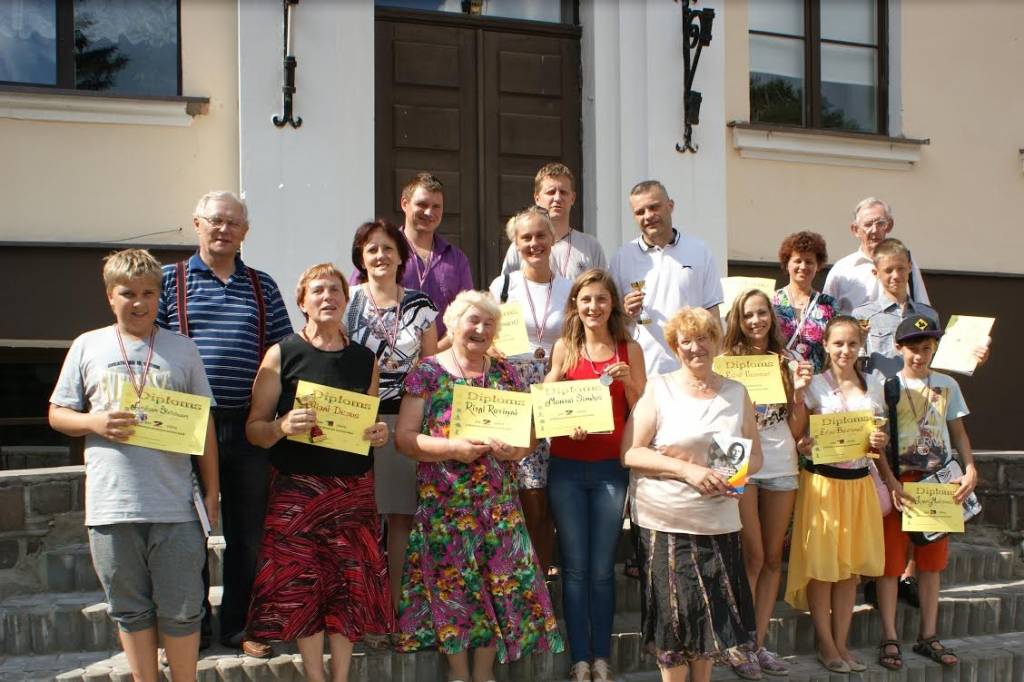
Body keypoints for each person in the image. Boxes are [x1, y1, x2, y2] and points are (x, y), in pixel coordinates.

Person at [49, 249, 219, 682]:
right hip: (111, 506)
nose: (139, 302)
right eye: (128, 293)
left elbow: (205, 428)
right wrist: (94, 422)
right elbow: (57, 414)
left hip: (176, 507)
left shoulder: (183, 349)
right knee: (129, 609)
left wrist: (212, 493)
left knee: (183, 609)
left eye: (148, 293)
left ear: (160, 296)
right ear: (110, 296)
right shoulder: (88, 345)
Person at [394, 290, 564, 682]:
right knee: (454, 590)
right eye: (473, 320)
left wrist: (512, 450)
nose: (480, 329)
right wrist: (452, 448)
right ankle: (458, 674)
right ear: (453, 324)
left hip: (497, 506)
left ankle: (484, 674)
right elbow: (404, 438)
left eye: (489, 323)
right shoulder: (428, 372)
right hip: (445, 506)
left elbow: (529, 440)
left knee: (497, 588)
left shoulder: (505, 373)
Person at [157, 190, 292, 656]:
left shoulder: (263, 286)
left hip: (248, 426)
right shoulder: (167, 281)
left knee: (248, 533)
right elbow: (147, 350)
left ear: (245, 232)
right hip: (184, 426)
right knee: (186, 531)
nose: (223, 229)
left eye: (233, 223)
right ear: (197, 224)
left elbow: (283, 354)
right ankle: (190, 627)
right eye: (215, 221)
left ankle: (239, 625)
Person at [245, 263, 394, 682]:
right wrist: (280, 426)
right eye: (318, 291)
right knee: (303, 586)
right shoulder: (282, 354)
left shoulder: (365, 359)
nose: (327, 297)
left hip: (352, 492)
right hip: (298, 492)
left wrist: (378, 433)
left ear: (347, 301)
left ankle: (341, 676)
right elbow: (254, 430)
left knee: (348, 585)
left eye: (335, 291)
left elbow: (369, 423)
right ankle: (315, 675)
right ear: (302, 302)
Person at [621, 306, 762, 682]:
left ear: (717, 341)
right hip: (666, 523)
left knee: (708, 624)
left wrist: (731, 476)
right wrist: (688, 470)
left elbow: (755, 455)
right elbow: (631, 453)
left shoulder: (736, 392)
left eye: (704, 338)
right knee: (673, 624)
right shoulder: (659, 388)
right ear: (674, 347)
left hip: (718, 523)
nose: (696, 347)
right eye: (686, 341)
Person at [543, 269, 646, 682]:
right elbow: (549, 401)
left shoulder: (628, 348)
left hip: (608, 468)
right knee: (574, 568)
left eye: (602, 299)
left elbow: (642, 408)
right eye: (586, 300)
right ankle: (579, 659)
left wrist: (631, 380)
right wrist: (555, 376)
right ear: (575, 305)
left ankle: (601, 657)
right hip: (566, 465)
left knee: (602, 568)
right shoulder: (565, 347)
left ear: (613, 305)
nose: (594, 307)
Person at [785, 316, 892, 674]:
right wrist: (804, 434)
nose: (845, 351)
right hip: (823, 485)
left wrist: (881, 441)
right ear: (826, 346)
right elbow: (796, 435)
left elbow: (879, 439)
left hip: (860, 483)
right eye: (838, 344)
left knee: (848, 570)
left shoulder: (873, 384)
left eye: (852, 344)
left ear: (861, 347)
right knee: (822, 567)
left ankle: (842, 643)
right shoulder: (813, 385)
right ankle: (826, 644)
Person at [344, 219, 438, 611]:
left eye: (387, 248)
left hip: (404, 420)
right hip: (356, 421)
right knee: (361, 518)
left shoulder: (421, 305)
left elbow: (431, 368)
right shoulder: (345, 301)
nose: (380, 255)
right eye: (371, 249)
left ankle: (392, 604)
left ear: (401, 255)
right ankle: (360, 603)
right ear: (361, 258)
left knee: (400, 517)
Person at [875, 315, 977, 672]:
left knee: (932, 563)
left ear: (934, 348)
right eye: (912, 349)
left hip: (938, 482)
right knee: (890, 564)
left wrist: (971, 468)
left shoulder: (947, 384)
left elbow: (959, 433)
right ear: (898, 348)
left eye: (926, 348)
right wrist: (890, 481)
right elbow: (877, 444)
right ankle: (889, 634)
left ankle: (928, 634)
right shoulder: (887, 386)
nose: (920, 356)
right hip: (900, 483)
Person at [721, 289, 811, 679]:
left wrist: (801, 393)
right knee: (750, 556)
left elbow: (794, 427)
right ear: (737, 321)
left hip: (780, 460)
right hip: (738, 459)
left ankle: (756, 644)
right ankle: (737, 643)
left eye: (762, 314)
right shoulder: (725, 363)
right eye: (748, 315)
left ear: (772, 319)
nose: (756, 321)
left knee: (773, 558)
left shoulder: (786, 361)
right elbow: (717, 419)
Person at [488, 206, 572, 577]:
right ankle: (520, 568)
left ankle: (547, 563)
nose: (534, 243)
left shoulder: (571, 288)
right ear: (516, 244)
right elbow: (487, 338)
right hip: (514, 388)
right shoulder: (502, 286)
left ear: (553, 238)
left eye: (541, 235)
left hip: (557, 384)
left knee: (554, 483)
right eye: (526, 238)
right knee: (524, 487)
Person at [609, 180, 724, 376]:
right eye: (640, 212)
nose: (648, 216)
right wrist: (625, 310)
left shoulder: (699, 251)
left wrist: (715, 364)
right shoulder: (622, 257)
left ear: (670, 206)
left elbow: (712, 314)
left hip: (691, 368)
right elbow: (611, 319)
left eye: (654, 207)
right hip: (642, 370)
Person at [354, 173, 474, 349]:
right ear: (404, 204)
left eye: (436, 206)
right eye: (422, 204)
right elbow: (354, 301)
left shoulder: (456, 259)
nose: (429, 212)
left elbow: (466, 314)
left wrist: (433, 353)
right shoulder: (381, 254)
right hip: (384, 364)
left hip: (440, 363)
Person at [851, 238, 941, 379]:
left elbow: (939, 363)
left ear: (910, 267)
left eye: (901, 268)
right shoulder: (862, 315)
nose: (896, 276)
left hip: (920, 395)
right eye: (888, 270)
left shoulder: (928, 315)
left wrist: (971, 358)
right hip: (880, 394)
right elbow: (853, 361)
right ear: (876, 273)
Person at [823, 197, 929, 313]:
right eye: (868, 224)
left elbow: (922, 307)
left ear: (889, 226)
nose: (875, 230)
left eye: (880, 223)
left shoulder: (905, 262)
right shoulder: (842, 270)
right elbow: (827, 315)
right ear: (855, 229)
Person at [501, 163, 607, 280]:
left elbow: (604, 292)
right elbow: (505, 293)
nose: (557, 198)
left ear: (573, 198)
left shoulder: (591, 247)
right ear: (537, 198)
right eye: (551, 192)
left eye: (563, 192)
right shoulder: (522, 247)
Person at [772, 231, 838, 373]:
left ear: (817, 266)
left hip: (818, 383)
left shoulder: (829, 304)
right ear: (787, 264)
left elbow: (836, 345)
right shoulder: (771, 301)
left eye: (809, 262)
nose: (803, 266)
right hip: (780, 380)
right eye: (797, 261)